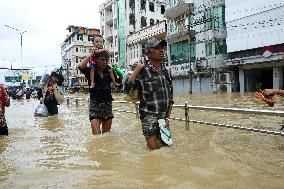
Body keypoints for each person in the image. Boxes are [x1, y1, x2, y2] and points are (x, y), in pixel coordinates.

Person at [124, 39, 174, 150]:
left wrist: (168, 118)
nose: (161, 51)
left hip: (163, 117)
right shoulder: (142, 71)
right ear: (147, 53)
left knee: (165, 148)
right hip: (149, 116)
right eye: (156, 48)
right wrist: (136, 70)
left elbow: (170, 98)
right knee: (154, 151)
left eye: (162, 48)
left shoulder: (165, 72)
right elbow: (127, 90)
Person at [78, 50, 114, 135]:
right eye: (102, 59)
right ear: (95, 60)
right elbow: (80, 66)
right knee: (96, 136)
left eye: (106, 60)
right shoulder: (91, 71)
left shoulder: (109, 71)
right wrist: (92, 53)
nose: (104, 62)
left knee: (106, 136)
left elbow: (119, 82)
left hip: (107, 105)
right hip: (95, 105)